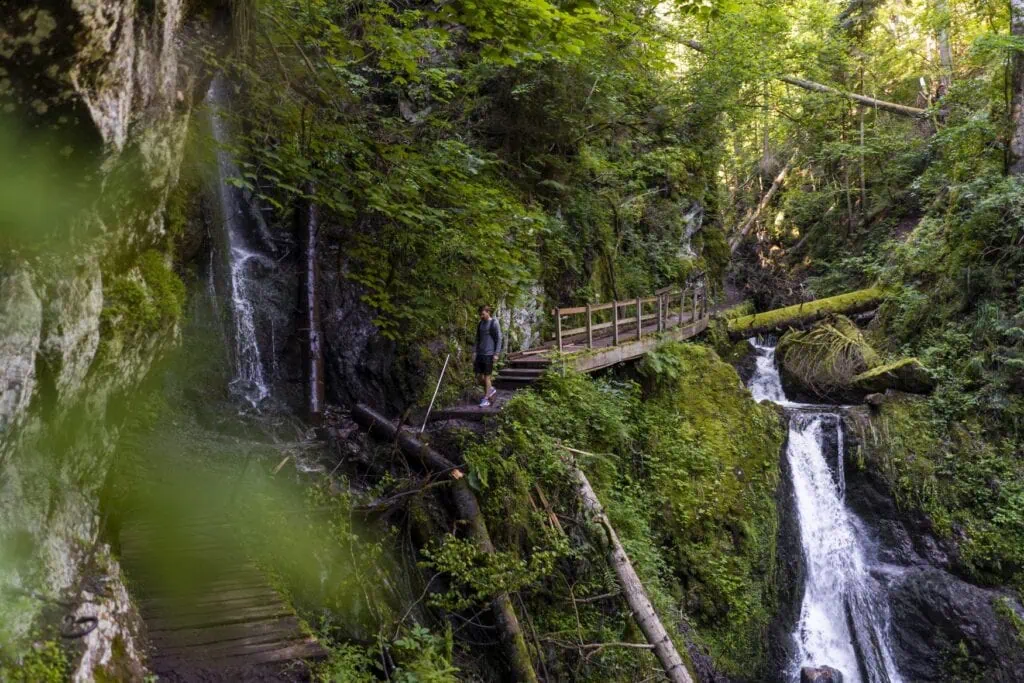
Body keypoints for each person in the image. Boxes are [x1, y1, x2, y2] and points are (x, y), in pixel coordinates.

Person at [474, 305, 501, 407]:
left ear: (488, 312)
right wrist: (474, 351)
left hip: (489, 354)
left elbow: (499, 339)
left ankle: (486, 399)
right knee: (479, 377)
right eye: (480, 314)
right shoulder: (480, 323)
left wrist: (496, 353)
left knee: (487, 377)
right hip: (480, 353)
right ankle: (491, 389)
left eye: (483, 314)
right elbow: (477, 338)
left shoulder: (494, 323)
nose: (481, 316)